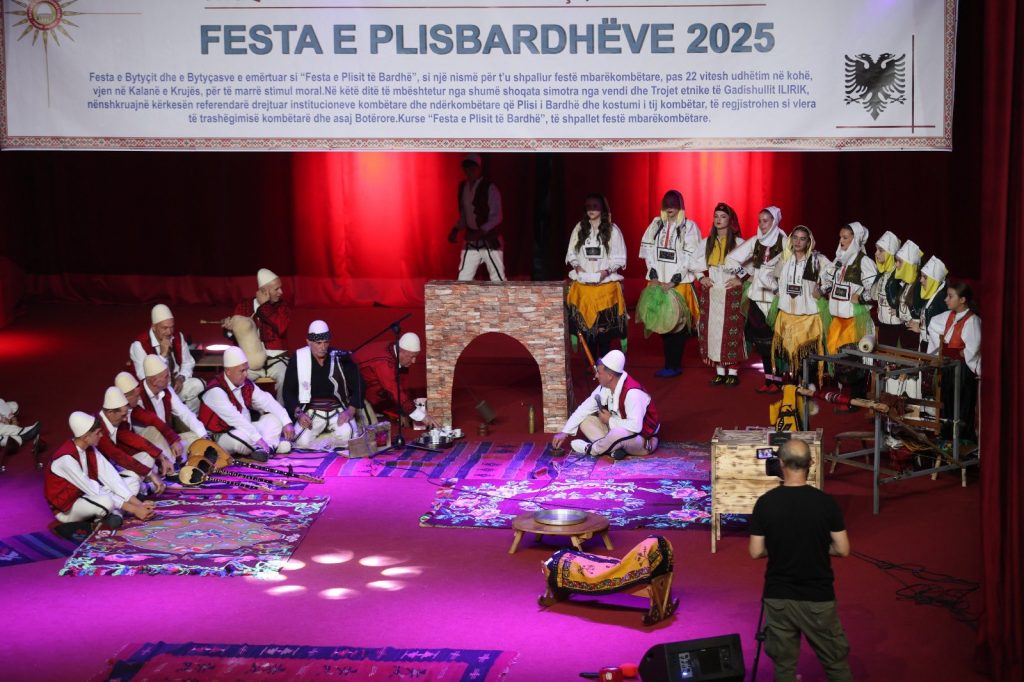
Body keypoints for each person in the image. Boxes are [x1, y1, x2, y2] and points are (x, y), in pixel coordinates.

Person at [749, 439, 852, 682]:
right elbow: (843, 549)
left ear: (781, 463)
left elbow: (756, 551)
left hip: (778, 595)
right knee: (835, 662)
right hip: (818, 597)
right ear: (812, 463)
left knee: (784, 665)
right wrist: (816, 546)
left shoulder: (765, 503)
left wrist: (780, 546)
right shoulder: (826, 503)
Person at [44, 411, 155, 526]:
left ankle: (115, 514)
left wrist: (139, 504)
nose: (101, 435)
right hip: (69, 507)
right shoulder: (66, 459)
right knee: (106, 501)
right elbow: (92, 490)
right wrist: (134, 510)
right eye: (98, 433)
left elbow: (111, 476)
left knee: (133, 480)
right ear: (86, 437)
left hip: (88, 494)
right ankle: (111, 514)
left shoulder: (90, 448)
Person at [638, 189, 702, 378]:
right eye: (666, 204)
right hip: (658, 282)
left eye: (674, 204)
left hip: (679, 284)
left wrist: (673, 281)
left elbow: (690, 257)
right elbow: (648, 251)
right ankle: (669, 364)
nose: (670, 208)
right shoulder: (656, 225)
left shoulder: (689, 227)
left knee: (678, 326)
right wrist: (654, 275)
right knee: (662, 323)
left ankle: (674, 365)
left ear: (680, 206)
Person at [551, 350, 660, 459]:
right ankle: (612, 450)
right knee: (585, 421)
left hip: (642, 441)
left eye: (599, 372)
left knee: (617, 433)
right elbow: (584, 409)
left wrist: (609, 420)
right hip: (616, 433)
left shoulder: (632, 393)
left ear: (610, 376)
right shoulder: (604, 388)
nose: (596, 375)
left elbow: (635, 427)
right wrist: (564, 432)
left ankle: (590, 449)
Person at [726, 206, 787, 392]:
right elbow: (731, 259)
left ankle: (779, 379)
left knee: (777, 340)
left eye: (766, 221)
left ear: (774, 221)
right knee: (762, 341)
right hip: (756, 297)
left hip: (775, 298)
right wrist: (746, 276)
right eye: (760, 221)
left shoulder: (785, 241)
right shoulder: (755, 241)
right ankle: (768, 379)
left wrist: (777, 283)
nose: (762, 224)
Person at [198, 346, 295, 461]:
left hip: (248, 428)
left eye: (246, 370)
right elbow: (236, 419)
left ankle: (265, 449)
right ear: (228, 371)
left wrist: (286, 422)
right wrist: (258, 438)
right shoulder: (216, 391)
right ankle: (270, 446)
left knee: (274, 419)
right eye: (242, 371)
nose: (246, 374)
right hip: (222, 435)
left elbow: (267, 401)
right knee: (244, 438)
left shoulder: (246, 384)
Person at [282, 320, 366, 449]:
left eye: (326, 342)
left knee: (350, 436)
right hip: (311, 411)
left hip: (337, 410)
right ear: (308, 342)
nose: (323, 347)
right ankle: (328, 440)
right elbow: (288, 392)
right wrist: (299, 413)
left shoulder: (339, 357)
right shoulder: (298, 358)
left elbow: (360, 384)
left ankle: (327, 440)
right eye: (318, 343)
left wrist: (350, 410)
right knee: (301, 442)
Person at [565, 193, 628, 358]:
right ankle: (591, 365)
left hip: (604, 288)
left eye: (595, 206)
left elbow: (619, 257)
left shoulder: (613, 230)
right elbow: (571, 253)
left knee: (603, 333)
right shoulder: (580, 228)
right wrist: (578, 267)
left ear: (603, 208)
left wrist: (605, 272)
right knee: (587, 332)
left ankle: (604, 365)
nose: (591, 210)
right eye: (588, 206)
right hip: (584, 288)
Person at [770, 226, 830, 385]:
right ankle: (793, 385)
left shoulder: (816, 259)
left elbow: (834, 274)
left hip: (808, 316)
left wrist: (822, 290)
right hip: (787, 314)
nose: (798, 242)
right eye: (795, 238)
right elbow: (767, 273)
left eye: (802, 239)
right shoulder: (785, 258)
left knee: (808, 355)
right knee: (789, 354)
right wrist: (776, 290)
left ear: (809, 241)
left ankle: (809, 385)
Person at [695, 202, 746, 386]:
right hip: (712, 293)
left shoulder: (739, 244)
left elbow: (751, 267)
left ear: (730, 220)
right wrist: (701, 278)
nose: (718, 219)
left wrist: (740, 280)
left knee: (732, 332)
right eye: (716, 216)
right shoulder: (707, 242)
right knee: (712, 331)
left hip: (731, 294)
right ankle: (719, 371)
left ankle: (733, 371)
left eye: (723, 216)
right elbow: (693, 263)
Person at [223, 268, 291, 396]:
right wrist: (229, 330)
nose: (281, 292)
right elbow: (233, 336)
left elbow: (281, 328)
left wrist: (264, 306)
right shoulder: (243, 307)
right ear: (264, 291)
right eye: (276, 289)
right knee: (238, 381)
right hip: (249, 363)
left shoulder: (282, 307)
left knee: (286, 378)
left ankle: (281, 408)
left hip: (276, 360)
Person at [926, 282, 980, 441]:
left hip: (963, 371)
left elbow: (973, 348)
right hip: (948, 368)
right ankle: (947, 439)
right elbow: (933, 324)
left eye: (950, 296)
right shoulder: (948, 316)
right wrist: (943, 348)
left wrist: (962, 352)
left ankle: (961, 442)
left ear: (962, 300)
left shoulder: (972, 321)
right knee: (947, 405)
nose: (946, 300)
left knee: (961, 407)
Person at [129, 304, 204, 412]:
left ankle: (188, 418)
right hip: (156, 393)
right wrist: (162, 355)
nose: (169, 332)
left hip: (175, 385)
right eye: (164, 328)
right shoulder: (140, 345)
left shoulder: (177, 336)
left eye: (171, 327)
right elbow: (145, 379)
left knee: (198, 385)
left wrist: (181, 378)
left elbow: (188, 362)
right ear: (154, 327)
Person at [97, 387, 170, 497]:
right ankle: (143, 488)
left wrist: (160, 456)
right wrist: (150, 473)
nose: (125, 419)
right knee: (133, 481)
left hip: (116, 468)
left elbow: (135, 440)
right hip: (102, 479)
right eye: (123, 415)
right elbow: (118, 456)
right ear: (110, 412)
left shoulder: (116, 422)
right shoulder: (98, 429)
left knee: (147, 456)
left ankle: (144, 487)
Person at [136, 355, 208, 464]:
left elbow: (185, 413)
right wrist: (172, 440)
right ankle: (173, 464)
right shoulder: (138, 396)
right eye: (166, 377)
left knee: (197, 438)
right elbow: (153, 425)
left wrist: (204, 435)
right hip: (149, 445)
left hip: (169, 439)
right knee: (152, 431)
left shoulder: (167, 389)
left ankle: (178, 460)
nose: (169, 379)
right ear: (154, 381)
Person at [823, 222, 878, 357]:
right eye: (840, 237)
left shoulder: (863, 261)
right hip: (837, 318)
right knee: (832, 352)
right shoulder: (839, 260)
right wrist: (827, 289)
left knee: (850, 357)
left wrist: (861, 298)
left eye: (845, 237)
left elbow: (875, 289)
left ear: (855, 239)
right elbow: (827, 279)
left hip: (853, 320)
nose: (841, 241)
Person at [356, 332, 435, 426]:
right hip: (353, 392)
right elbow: (394, 390)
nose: (414, 361)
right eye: (412, 357)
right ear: (401, 352)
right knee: (373, 428)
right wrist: (422, 417)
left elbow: (401, 385)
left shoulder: (397, 350)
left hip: (367, 389)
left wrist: (403, 411)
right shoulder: (384, 363)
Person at [114, 371, 191, 467]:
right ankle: (172, 465)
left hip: (136, 452)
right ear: (126, 397)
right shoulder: (117, 420)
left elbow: (153, 419)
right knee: (149, 453)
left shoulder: (133, 409)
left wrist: (174, 440)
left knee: (158, 432)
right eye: (137, 396)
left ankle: (175, 463)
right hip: (120, 461)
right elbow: (135, 442)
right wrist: (160, 455)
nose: (139, 399)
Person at [448, 153, 505, 281]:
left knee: (498, 278)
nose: (468, 171)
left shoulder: (490, 188)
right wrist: (456, 229)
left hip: (489, 240)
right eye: (466, 168)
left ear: (479, 169)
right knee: (463, 278)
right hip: (472, 241)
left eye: (472, 168)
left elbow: (497, 217)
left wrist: (479, 232)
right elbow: (465, 214)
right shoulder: (463, 187)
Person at [869, 231, 905, 348]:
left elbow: (908, 296)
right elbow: (874, 295)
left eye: (880, 250)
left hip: (897, 325)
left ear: (890, 253)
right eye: (876, 249)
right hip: (883, 323)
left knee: (895, 355)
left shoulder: (899, 274)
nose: (876, 253)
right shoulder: (882, 273)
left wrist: (900, 310)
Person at [908, 255, 948, 350]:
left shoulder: (941, 298)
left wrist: (920, 329)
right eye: (921, 276)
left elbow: (944, 327)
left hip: (935, 347)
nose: (921, 280)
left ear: (934, 281)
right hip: (926, 343)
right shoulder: (929, 295)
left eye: (925, 277)